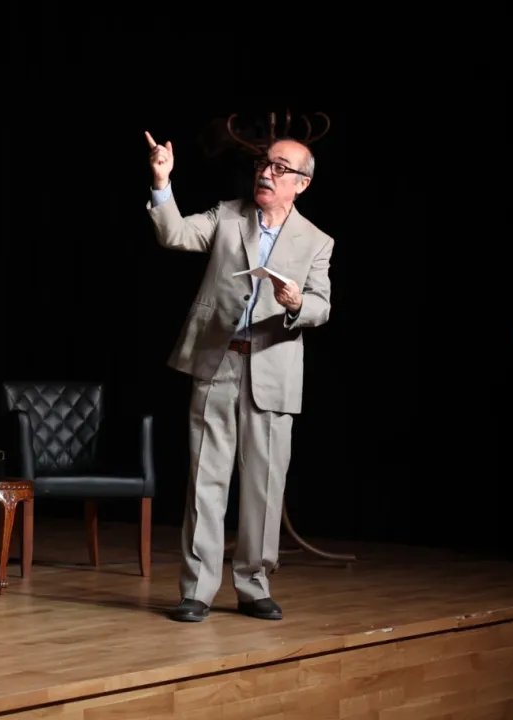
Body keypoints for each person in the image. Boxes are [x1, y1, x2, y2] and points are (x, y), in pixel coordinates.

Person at [143, 129, 334, 623]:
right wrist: (162, 181)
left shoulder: (317, 241)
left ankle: (253, 585)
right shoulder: (228, 215)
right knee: (206, 480)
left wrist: (297, 304)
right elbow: (174, 233)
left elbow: (322, 305)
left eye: (280, 168)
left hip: (274, 369)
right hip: (218, 362)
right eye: (264, 164)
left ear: (302, 184)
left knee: (264, 487)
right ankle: (197, 590)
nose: (266, 173)